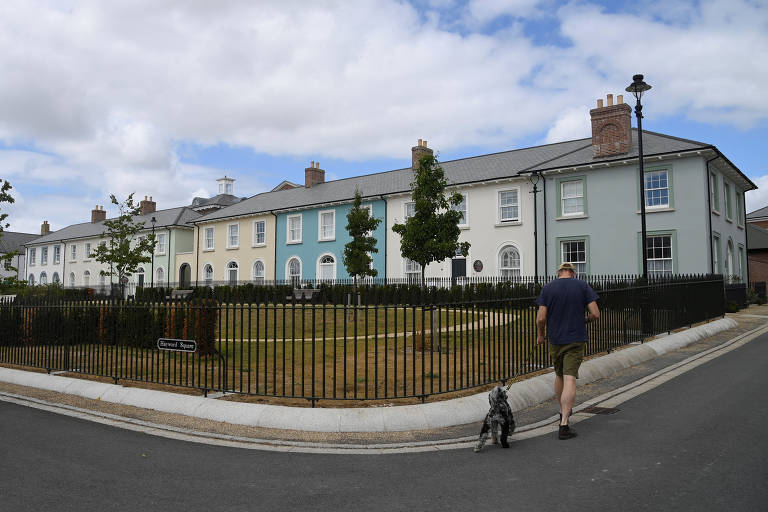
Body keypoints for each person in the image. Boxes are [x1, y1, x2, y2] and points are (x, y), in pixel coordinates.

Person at [536, 262, 600, 440]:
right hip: (575, 339)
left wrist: (541, 335)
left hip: (555, 339)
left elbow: (541, 318)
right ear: (573, 273)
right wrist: (584, 320)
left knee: (559, 375)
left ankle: (563, 409)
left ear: (559, 273)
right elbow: (595, 313)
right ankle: (564, 423)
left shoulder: (548, 288)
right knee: (570, 377)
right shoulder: (582, 286)